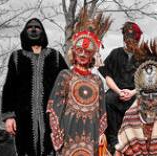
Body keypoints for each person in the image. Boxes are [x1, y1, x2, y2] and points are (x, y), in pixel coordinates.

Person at [47, 7, 111, 156]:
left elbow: (102, 110)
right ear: (74, 52)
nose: (83, 54)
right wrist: (57, 132)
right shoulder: (65, 75)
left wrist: (102, 133)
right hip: (69, 130)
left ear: (92, 56)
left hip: (92, 133)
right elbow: (53, 107)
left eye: (87, 51)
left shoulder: (97, 80)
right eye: (79, 50)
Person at [1, 18, 68, 156]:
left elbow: (68, 83)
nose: (33, 29)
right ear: (24, 32)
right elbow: (9, 88)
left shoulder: (55, 56)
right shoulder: (16, 57)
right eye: (29, 27)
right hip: (23, 117)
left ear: (42, 32)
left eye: (37, 27)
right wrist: (8, 117)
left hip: (51, 116)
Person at [98, 21, 144, 154]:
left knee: (144, 103)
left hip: (136, 92)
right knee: (107, 99)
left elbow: (147, 80)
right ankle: (113, 142)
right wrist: (118, 91)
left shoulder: (143, 56)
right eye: (127, 39)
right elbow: (107, 75)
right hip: (116, 92)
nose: (129, 43)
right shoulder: (115, 53)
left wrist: (133, 92)